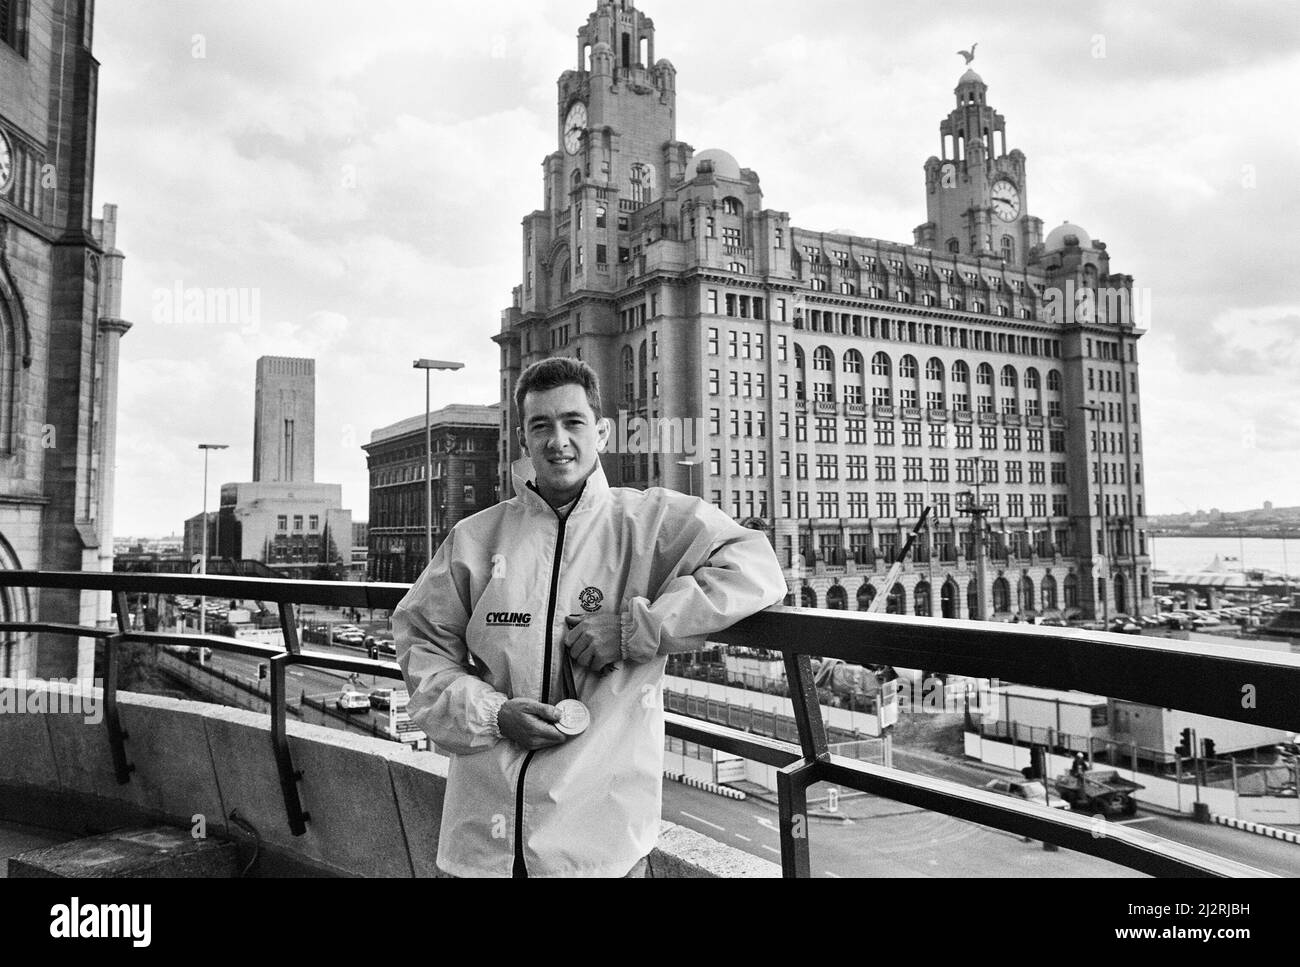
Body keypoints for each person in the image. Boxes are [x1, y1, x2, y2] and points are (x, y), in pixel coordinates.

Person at [394, 358, 787, 877]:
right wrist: (493, 714)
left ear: (600, 431)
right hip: (482, 845)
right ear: (523, 439)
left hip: (601, 851)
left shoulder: (650, 522)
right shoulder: (475, 538)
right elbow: (421, 644)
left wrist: (633, 630)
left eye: (573, 422)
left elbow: (755, 567)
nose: (558, 440)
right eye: (542, 425)